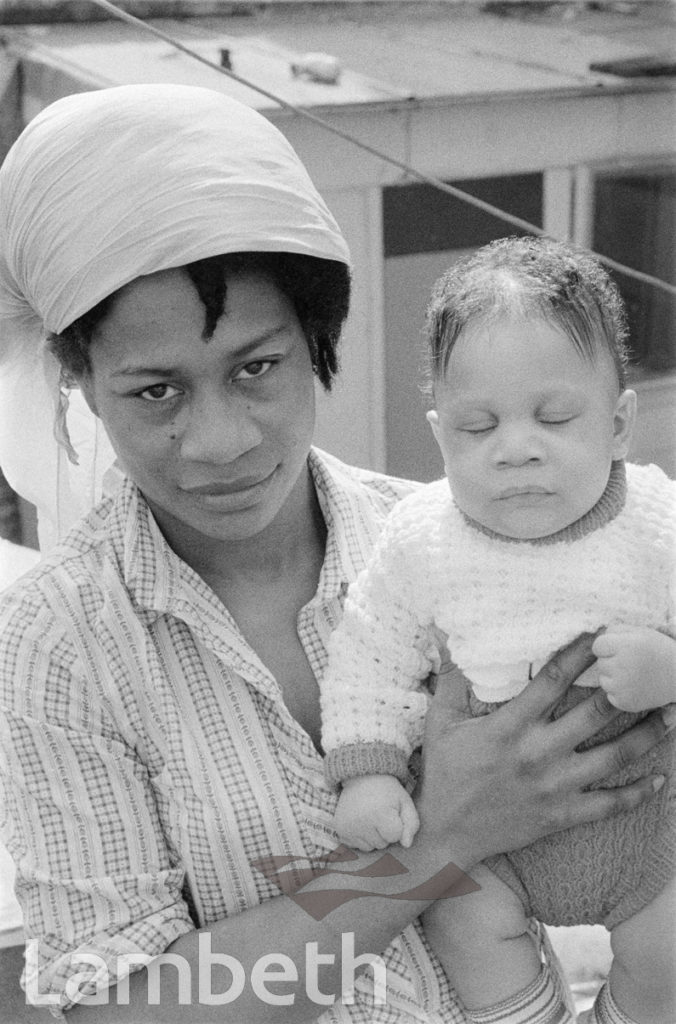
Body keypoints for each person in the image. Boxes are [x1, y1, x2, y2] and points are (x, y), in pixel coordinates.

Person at [0, 88, 667, 1024]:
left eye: (256, 366)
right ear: (81, 381)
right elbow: (119, 1010)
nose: (220, 441)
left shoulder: (439, 542)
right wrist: (431, 848)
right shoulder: (65, 640)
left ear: (317, 341)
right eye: (155, 392)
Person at [320, 236, 676, 1024]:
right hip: (487, 845)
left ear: (618, 424)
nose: (517, 449)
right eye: (479, 428)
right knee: (456, 916)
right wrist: (368, 772)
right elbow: (370, 653)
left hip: (646, 819)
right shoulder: (420, 537)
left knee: (671, 957)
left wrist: (668, 668)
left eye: (554, 417)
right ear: (441, 435)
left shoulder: (657, 520)